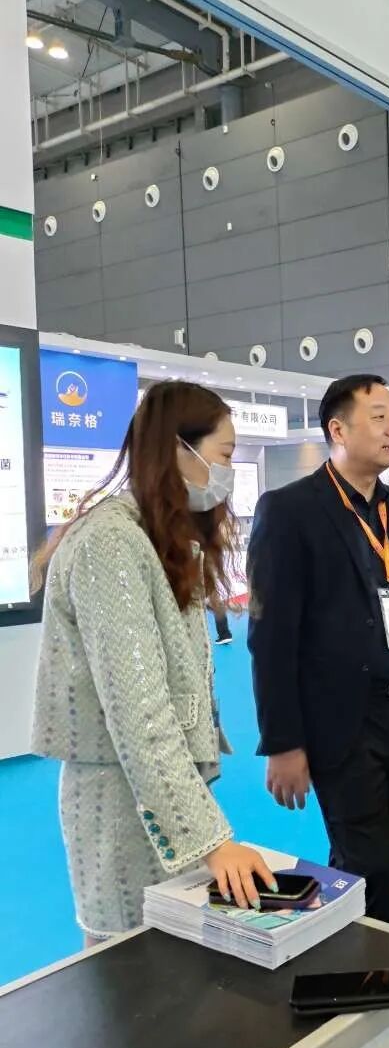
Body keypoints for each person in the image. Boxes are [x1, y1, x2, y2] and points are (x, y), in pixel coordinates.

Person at [31, 381, 276, 943]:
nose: (227, 472)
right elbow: (138, 712)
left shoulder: (156, 536)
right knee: (130, 959)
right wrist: (213, 841)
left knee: (173, 955)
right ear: (177, 450)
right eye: (224, 455)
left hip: (165, 789)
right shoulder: (110, 543)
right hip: (120, 799)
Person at [246, 375, 389, 928]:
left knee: (371, 850)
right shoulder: (290, 511)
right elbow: (271, 637)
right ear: (338, 429)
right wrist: (283, 742)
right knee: (371, 863)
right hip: (343, 719)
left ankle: (342, 944)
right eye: (378, 417)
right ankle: (387, 972)